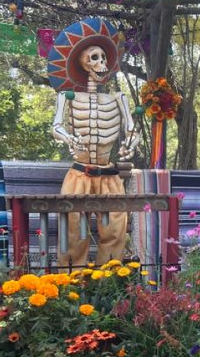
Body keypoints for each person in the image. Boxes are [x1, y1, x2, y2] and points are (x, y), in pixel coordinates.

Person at [48, 16, 139, 267]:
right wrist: (69, 138)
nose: (102, 64)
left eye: (104, 58)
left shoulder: (118, 98)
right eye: (94, 58)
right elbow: (56, 126)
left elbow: (131, 128)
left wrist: (130, 143)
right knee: (72, 227)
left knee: (115, 228)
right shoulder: (66, 97)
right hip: (78, 173)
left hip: (108, 174)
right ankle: (70, 282)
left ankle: (109, 279)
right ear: (83, 64)